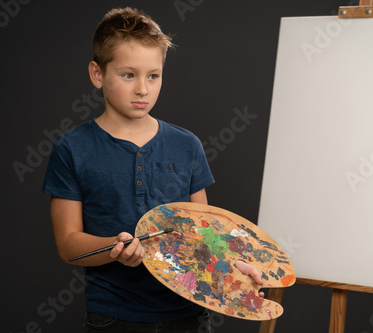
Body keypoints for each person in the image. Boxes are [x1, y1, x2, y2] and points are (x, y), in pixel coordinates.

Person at [42, 7, 262, 332]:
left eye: (153, 75)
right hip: (113, 315)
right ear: (97, 74)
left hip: (188, 310)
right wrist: (114, 250)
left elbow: (203, 231)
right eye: (128, 75)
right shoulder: (72, 148)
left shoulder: (187, 145)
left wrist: (233, 265)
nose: (143, 89)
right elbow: (68, 244)